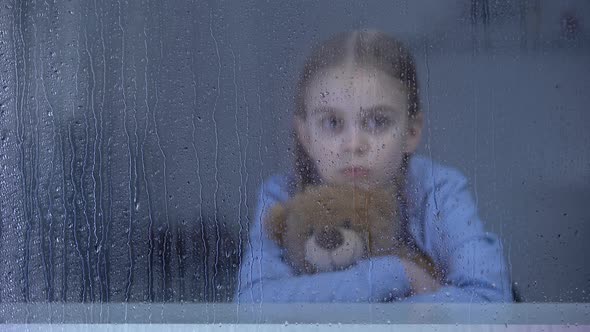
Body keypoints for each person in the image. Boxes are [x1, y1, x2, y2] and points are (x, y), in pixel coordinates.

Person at [234, 29, 512, 303]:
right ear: (306, 136)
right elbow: (252, 303)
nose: (354, 144)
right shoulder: (282, 195)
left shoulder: (438, 190)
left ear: (411, 132)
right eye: (332, 122)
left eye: (378, 121)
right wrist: (396, 274)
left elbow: (489, 298)